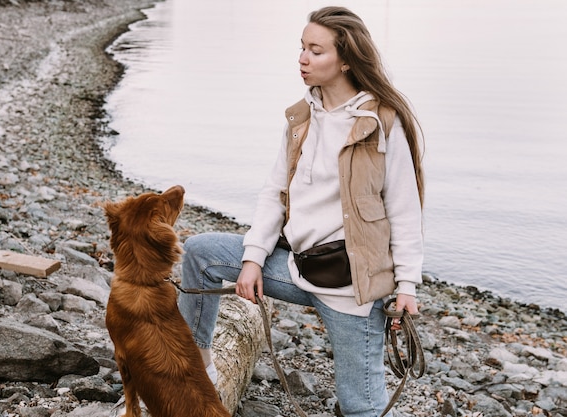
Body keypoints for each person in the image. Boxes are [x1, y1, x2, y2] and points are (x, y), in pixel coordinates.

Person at [178, 6, 424, 417]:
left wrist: (407, 287)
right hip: (296, 268)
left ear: (346, 60)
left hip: (352, 289)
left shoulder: (382, 121)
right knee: (201, 253)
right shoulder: (301, 116)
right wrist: (253, 259)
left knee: (361, 408)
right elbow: (274, 192)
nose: (303, 59)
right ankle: (197, 372)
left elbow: (405, 209)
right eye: (302, 48)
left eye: (316, 51)